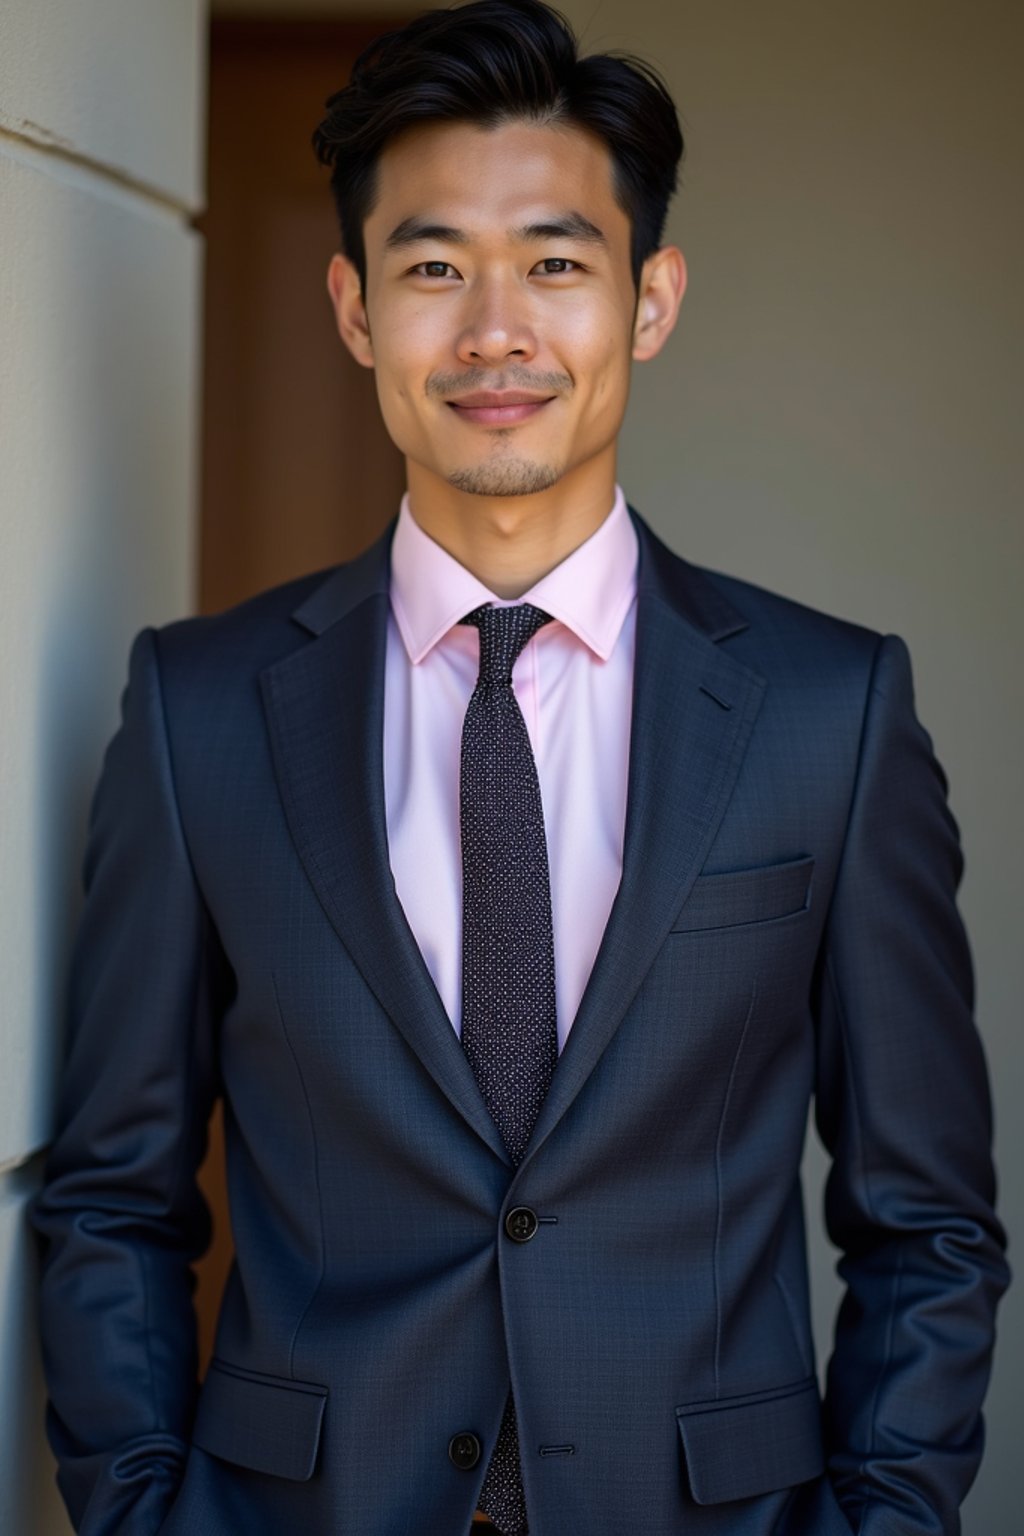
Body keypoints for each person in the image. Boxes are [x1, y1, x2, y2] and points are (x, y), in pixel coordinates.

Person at [30, 2, 1009, 1533]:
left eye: (557, 263)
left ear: (652, 299)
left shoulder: (836, 711)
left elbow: (927, 1221)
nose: (494, 330)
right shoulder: (198, 711)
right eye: (434, 269)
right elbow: (112, 1198)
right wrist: (147, 1513)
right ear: (355, 308)